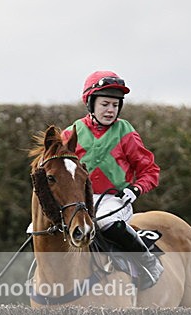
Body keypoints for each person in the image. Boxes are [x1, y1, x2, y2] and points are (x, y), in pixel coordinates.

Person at [62, 70, 163, 286]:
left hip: (114, 200)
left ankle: (148, 261)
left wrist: (134, 190)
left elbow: (150, 171)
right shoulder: (71, 133)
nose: (110, 110)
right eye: (105, 104)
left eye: (115, 105)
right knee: (39, 226)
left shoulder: (126, 132)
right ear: (90, 103)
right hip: (80, 200)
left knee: (105, 221)